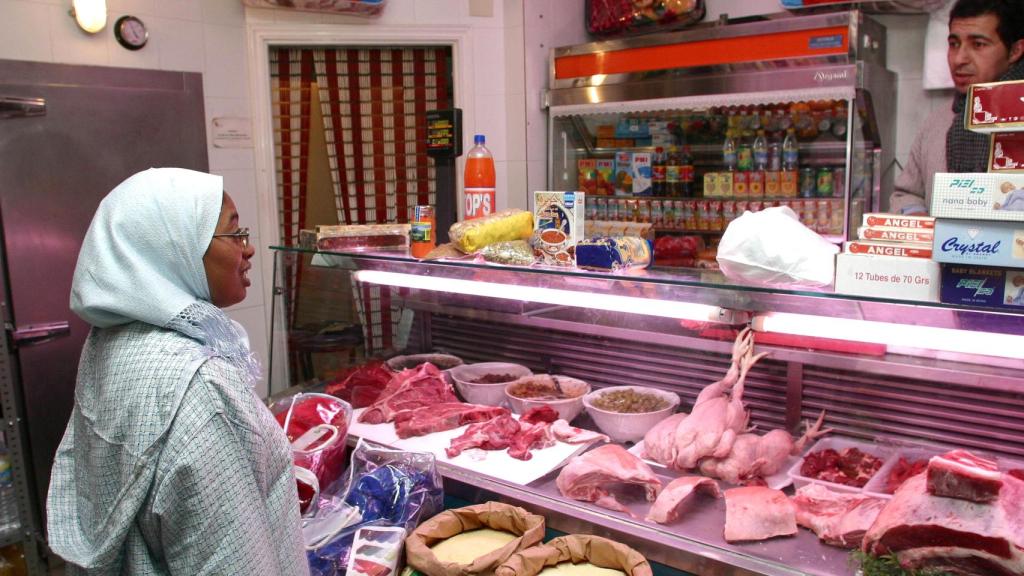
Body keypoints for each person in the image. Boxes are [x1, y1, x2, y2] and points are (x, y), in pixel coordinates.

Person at [46, 168, 309, 575]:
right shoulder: (201, 390)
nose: (249, 248)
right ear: (175, 249)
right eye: (235, 233)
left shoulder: (111, 342)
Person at [889, 0, 1024, 215]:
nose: (959, 59)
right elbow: (906, 193)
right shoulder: (937, 122)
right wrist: (917, 217)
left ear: (1015, 51)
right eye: (954, 44)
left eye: (978, 44)